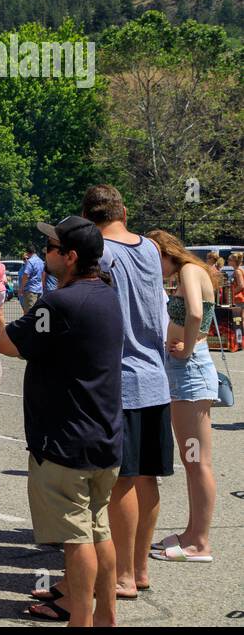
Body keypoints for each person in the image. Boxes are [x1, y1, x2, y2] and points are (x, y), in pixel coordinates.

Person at [0, 217, 123, 626]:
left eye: (52, 247)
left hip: (66, 441)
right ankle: (106, 618)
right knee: (99, 531)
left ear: (70, 257)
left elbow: (10, 344)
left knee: (77, 540)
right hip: (103, 435)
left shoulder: (60, 303)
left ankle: (80, 622)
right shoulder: (107, 293)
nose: (46, 251)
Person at [82, 184, 171, 601]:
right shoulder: (151, 248)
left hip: (122, 378)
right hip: (156, 375)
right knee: (148, 476)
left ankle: (121, 576)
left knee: (123, 483)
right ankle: (139, 568)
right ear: (125, 210)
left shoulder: (101, 253)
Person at [147, 230, 219, 563]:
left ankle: (200, 543)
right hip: (185, 372)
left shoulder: (190, 271)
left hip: (189, 372)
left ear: (166, 252)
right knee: (192, 461)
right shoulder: (189, 271)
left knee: (197, 461)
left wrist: (186, 348)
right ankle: (192, 533)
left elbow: (193, 313)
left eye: (153, 259)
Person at [19, 245, 45, 312]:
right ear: (34, 251)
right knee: (37, 311)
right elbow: (43, 275)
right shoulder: (41, 261)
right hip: (39, 289)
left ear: (27, 252)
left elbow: (26, 275)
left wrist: (21, 288)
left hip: (31, 290)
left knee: (29, 312)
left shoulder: (30, 262)